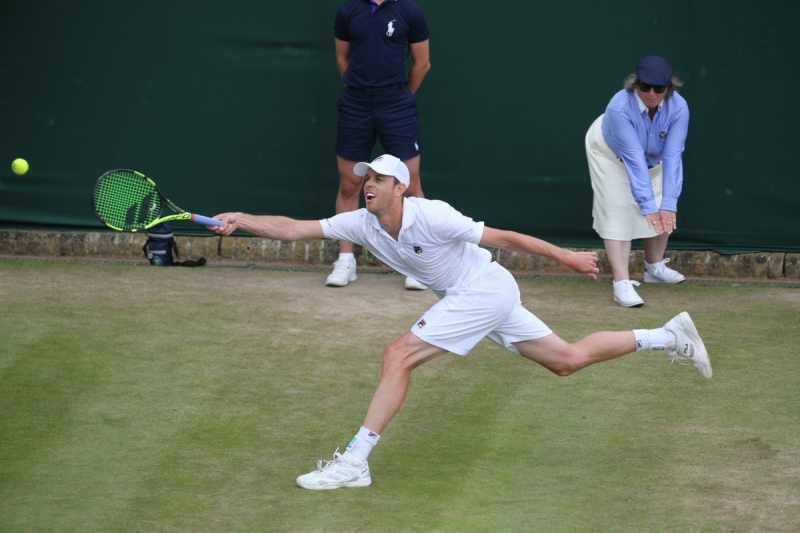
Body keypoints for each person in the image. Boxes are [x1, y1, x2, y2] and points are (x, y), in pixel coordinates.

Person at [209, 154, 712, 490]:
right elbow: (297, 229)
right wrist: (244, 218)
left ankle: (354, 462)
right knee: (566, 360)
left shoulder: (434, 215)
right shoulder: (360, 223)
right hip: (476, 295)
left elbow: (506, 238)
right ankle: (668, 335)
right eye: (366, 179)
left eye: (378, 179)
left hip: (484, 290)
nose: (368, 185)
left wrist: (566, 256)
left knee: (397, 355)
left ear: (399, 187)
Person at [327, 0, 431, 291]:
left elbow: (422, 63)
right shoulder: (348, 10)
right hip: (356, 104)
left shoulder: (409, 11)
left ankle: (419, 262)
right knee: (350, 183)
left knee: (409, 186)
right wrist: (361, 92)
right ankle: (346, 260)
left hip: (397, 104)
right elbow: (342, 59)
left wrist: (398, 97)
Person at [585, 55, 690, 307]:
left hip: (654, 158)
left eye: (659, 88)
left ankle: (653, 267)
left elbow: (673, 156)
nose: (651, 93)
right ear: (635, 85)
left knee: (663, 204)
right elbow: (632, 158)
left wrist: (668, 204)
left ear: (669, 88)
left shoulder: (680, 108)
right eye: (645, 87)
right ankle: (621, 283)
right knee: (618, 207)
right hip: (610, 155)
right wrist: (647, 205)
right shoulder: (618, 107)